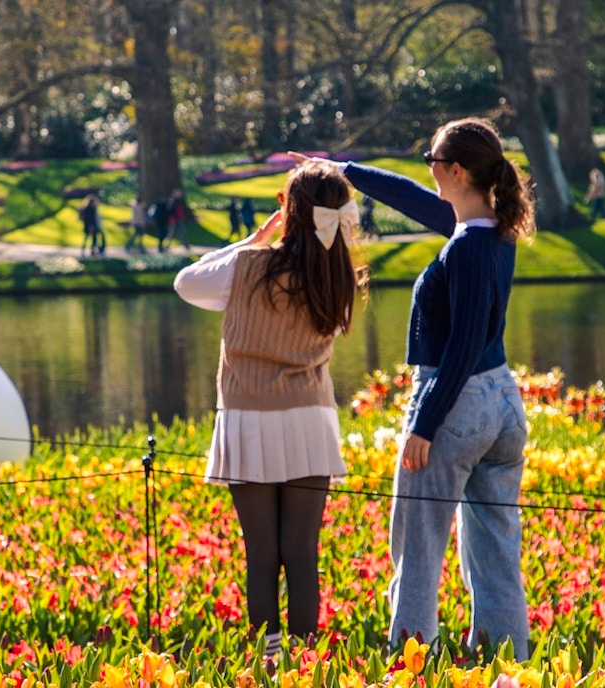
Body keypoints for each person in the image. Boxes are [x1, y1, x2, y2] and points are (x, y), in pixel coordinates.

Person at [292, 117, 535, 659]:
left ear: (455, 170)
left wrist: (424, 425)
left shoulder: (468, 248)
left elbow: (465, 342)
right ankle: (508, 663)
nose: (429, 174)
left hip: (456, 402)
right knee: (496, 550)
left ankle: (410, 664)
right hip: (501, 403)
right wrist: (344, 169)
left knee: (418, 548)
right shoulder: (491, 229)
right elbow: (414, 201)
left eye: (432, 163)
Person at [173, 161, 367, 657]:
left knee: (261, 555)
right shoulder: (337, 272)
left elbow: (186, 283)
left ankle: (269, 660)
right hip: (308, 418)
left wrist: (254, 239)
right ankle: (305, 663)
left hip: (248, 418)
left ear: (290, 211)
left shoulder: (250, 267)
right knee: (302, 555)